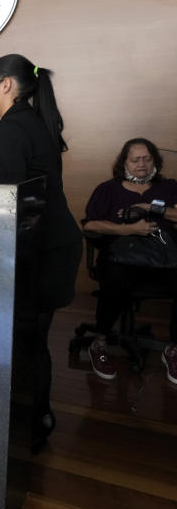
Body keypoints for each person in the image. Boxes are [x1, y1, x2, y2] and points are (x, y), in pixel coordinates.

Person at [0, 53, 82, 453]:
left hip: (36, 253)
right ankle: (38, 418)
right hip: (53, 248)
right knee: (33, 341)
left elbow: (8, 207)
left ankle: (26, 429)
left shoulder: (10, 131)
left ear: (6, 84)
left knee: (24, 343)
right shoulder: (35, 123)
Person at [81, 138, 177, 384]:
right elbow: (90, 224)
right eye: (135, 160)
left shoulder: (168, 187)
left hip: (162, 257)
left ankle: (173, 350)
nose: (142, 164)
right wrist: (130, 229)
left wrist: (151, 208)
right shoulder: (108, 189)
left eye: (147, 159)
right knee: (116, 278)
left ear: (155, 161)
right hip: (120, 257)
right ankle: (99, 342)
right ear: (124, 162)